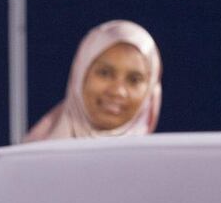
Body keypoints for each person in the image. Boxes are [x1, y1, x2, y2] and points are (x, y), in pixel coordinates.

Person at [24, 19, 162, 142]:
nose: (117, 91)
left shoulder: (162, 167)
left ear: (150, 91)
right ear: (80, 75)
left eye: (134, 80)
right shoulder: (27, 162)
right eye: (105, 73)